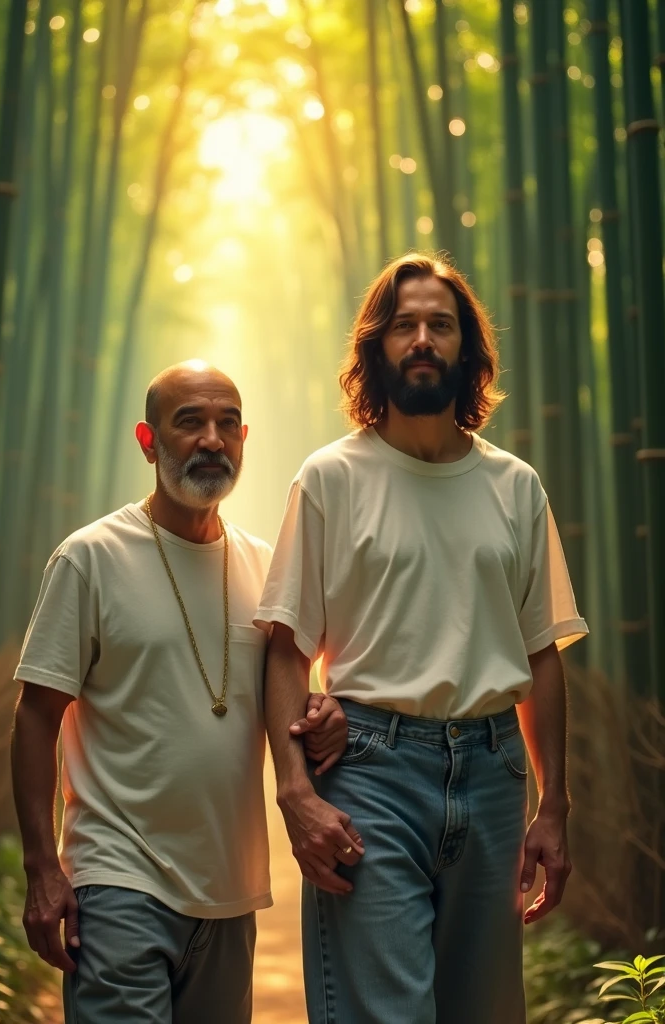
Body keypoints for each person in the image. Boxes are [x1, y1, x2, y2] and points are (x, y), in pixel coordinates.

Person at [255, 255, 588, 1024]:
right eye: (404, 325)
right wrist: (295, 792)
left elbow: (540, 654)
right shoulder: (329, 479)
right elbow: (285, 649)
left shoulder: (515, 487)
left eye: (441, 324)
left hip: (495, 772)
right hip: (371, 773)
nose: (423, 339)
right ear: (377, 349)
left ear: (467, 349)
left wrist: (555, 805)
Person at [11, 361, 345, 1024]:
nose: (212, 440)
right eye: (189, 422)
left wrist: (322, 712)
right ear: (148, 440)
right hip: (117, 882)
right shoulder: (90, 558)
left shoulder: (265, 568)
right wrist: (42, 869)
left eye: (227, 424)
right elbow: (35, 717)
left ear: (245, 437)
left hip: (230, 892)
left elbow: (288, 697)